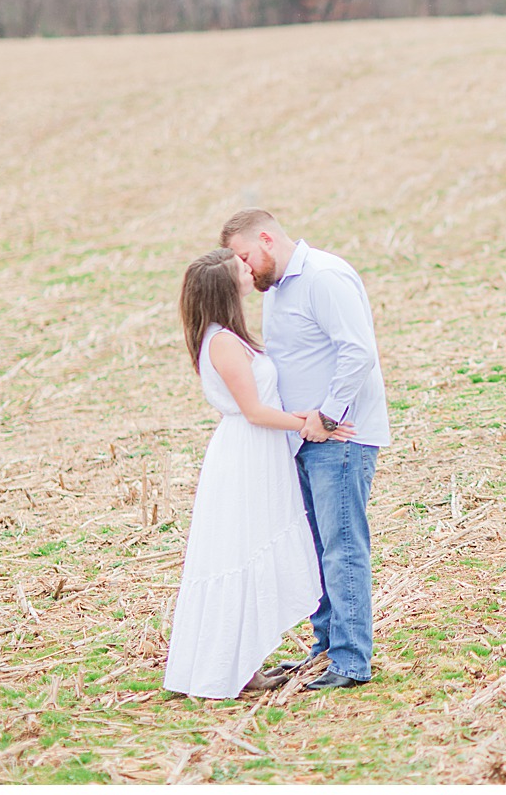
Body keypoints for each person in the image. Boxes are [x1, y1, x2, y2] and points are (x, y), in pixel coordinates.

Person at [164, 248, 350, 699]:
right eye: (240, 269)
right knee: (240, 553)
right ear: (226, 287)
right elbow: (253, 411)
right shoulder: (223, 341)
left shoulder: (226, 335)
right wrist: (312, 423)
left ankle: (241, 663)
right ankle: (227, 667)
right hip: (245, 454)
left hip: (257, 453)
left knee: (248, 550)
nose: (250, 269)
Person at [220, 209, 389, 692]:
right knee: (316, 548)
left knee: (342, 548)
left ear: (267, 240)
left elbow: (358, 350)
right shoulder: (277, 290)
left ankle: (352, 661)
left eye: (246, 256)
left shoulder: (324, 277)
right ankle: (326, 647)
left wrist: (327, 415)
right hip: (303, 438)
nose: (244, 269)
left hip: (339, 436)